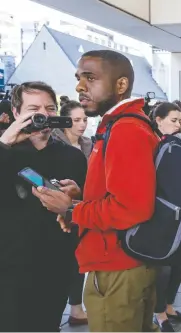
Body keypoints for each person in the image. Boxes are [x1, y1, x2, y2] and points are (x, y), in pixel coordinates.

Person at [32, 50, 160, 332]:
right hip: (125, 262)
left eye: (90, 78)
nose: (80, 86)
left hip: (117, 265)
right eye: (79, 78)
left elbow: (132, 207)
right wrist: (81, 195)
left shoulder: (125, 129)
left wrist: (70, 209)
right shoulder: (122, 124)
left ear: (121, 85)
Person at [0, 81, 87, 332]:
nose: (43, 115)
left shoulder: (72, 156)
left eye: (50, 108)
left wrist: (76, 198)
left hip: (55, 264)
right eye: (34, 108)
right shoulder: (6, 150)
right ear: (17, 113)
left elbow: (84, 207)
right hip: (8, 267)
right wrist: (6, 140)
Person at [151, 101, 181, 332]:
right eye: (173, 120)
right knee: (163, 267)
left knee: (178, 262)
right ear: (158, 120)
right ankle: (159, 313)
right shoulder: (151, 142)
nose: (179, 125)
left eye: (180, 120)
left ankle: (168, 306)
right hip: (158, 213)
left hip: (179, 210)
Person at [52, 100, 93, 326]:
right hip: (58, 211)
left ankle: (76, 308)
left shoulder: (89, 144)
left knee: (78, 259)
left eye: (85, 119)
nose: (82, 124)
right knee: (62, 260)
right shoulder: (53, 143)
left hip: (83, 207)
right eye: (77, 120)